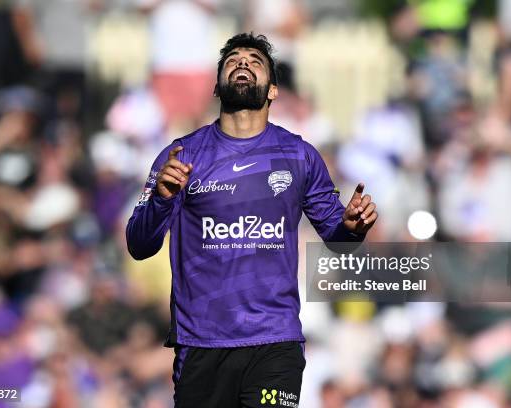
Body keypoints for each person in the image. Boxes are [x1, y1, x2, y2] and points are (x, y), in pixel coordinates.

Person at [126, 33, 378, 408]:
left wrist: (353, 228)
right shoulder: (181, 154)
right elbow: (139, 245)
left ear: (273, 90)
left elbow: (338, 237)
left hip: (275, 342)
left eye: (254, 61)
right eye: (233, 60)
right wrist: (162, 199)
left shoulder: (299, 156)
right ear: (216, 87)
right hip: (201, 344)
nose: (242, 63)